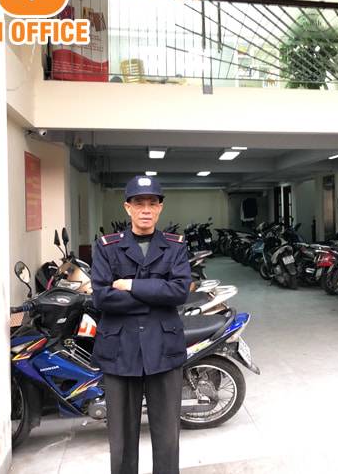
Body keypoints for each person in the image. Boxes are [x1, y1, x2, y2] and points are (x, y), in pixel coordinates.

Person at [91, 175, 191, 474]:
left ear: (160, 208)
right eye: (138, 203)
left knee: (167, 435)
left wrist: (131, 285)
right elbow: (101, 297)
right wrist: (156, 295)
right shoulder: (107, 247)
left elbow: (179, 292)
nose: (145, 209)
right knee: (121, 437)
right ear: (128, 207)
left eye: (152, 203)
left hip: (164, 346)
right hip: (120, 348)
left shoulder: (175, 246)